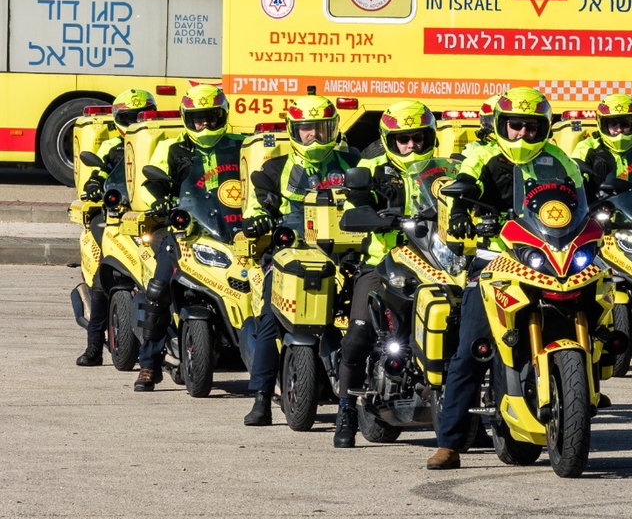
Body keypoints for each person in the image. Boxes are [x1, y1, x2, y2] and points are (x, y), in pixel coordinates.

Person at [432, 87, 583, 469]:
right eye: (515, 126)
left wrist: (600, 205)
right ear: (501, 125)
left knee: (600, 296)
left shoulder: (559, 160)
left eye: (533, 128)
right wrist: (461, 209)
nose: (523, 135)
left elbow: (581, 199)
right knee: (470, 349)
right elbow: (458, 189)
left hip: (549, 258)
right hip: (494, 260)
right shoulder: (481, 156)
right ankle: (449, 443)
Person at [334, 100, 448, 448]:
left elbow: (465, 203)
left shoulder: (446, 170)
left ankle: (467, 413)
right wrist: (369, 211)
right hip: (383, 261)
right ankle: (346, 411)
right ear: (389, 140)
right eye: (403, 139)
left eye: (417, 138)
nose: (411, 146)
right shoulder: (372, 166)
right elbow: (353, 204)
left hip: (436, 261)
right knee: (358, 335)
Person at [241, 95, 359, 429]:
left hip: (345, 253)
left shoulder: (352, 160)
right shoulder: (274, 168)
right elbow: (255, 205)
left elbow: (371, 194)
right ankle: (262, 398)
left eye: (321, 129)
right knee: (269, 320)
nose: (314, 136)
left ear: (333, 128)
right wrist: (257, 220)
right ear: (295, 130)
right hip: (290, 255)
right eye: (307, 129)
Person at [133, 85, 245, 392]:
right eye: (197, 119)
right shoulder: (173, 148)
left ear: (222, 116)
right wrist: (159, 200)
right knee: (158, 289)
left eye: (211, 117)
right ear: (187, 119)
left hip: (232, 229)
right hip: (186, 230)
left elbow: (262, 172)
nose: (204, 125)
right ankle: (148, 365)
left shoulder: (241, 145)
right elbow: (150, 180)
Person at [75, 88, 156, 367]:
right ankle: (94, 347)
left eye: (141, 117)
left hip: (149, 217)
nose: (134, 123)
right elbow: (97, 173)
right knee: (100, 281)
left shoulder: (159, 145)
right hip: (115, 216)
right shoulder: (112, 148)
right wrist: (95, 185)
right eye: (128, 118)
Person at [570, 93, 632, 194]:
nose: (619, 129)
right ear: (603, 124)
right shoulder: (587, 147)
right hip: (600, 206)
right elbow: (574, 178)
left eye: (625, 123)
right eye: (613, 124)